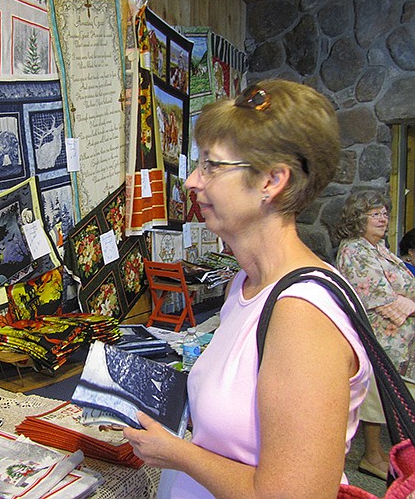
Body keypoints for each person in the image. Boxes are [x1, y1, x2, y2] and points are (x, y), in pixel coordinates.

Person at [122, 79, 372, 498]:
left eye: (212, 166)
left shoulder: (303, 317)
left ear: (271, 181)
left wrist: (177, 453)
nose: (193, 182)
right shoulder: (246, 284)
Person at [334, 190, 415, 480]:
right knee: (384, 400)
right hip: (381, 338)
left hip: (398, 341)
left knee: (385, 401)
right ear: (358, 218)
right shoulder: (355, 249)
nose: (383, 218)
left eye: (384, 213)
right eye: (375, 214)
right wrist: (411, 305)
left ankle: (379, 455)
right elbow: (381, 299)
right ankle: (375, 456)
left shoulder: (379, 249)